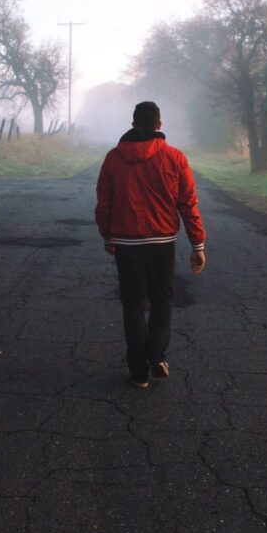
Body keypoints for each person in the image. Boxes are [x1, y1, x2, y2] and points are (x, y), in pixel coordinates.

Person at [94, 101, 206, 388]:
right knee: (162, 299)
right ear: (159, 125)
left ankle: (138, 371)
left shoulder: (113, 158)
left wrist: (108, 236)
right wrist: (198, 244)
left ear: (133, 124)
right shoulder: (175, 158)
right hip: (162, 242)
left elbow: (104, 202)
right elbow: (188, 203)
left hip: (126, 243)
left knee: (133, 305)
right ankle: (156, 355)